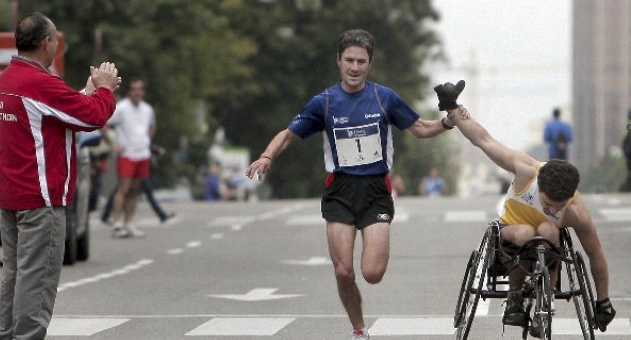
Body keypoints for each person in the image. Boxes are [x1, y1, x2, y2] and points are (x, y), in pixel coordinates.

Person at [245, 29, 466, 340]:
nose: (354, 67)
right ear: (338, 61)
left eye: (361, 61)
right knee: (343, 271)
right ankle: (359, 329)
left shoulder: (383, 97)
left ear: (369, 64)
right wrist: (267, 156)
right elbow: (289, 134)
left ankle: (361, 318)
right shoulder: (323, 102)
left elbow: (419, 128)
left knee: (372, 273)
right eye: (348, 60)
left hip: (376, 191)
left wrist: (446, 122)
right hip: (340, 190)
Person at [441, 81, 616, 334]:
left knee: (550, 229)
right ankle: (514, 297)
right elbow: (484, 140)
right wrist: (453, 109)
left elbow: (596, 254)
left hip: (547, 243)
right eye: (548, 203)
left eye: (560, 206)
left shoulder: (576, 212)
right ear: (539, 185)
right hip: (512, 232)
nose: (554, 209)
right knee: (524, 231)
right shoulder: (526, 171)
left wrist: (604, 300)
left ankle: (545, 306)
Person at [0, 12, 120, 339]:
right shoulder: (39, 83)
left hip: (11, 198)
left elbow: (54, 113)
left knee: (15, 278)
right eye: (56, 40)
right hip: (40, 201)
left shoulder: (6, 81)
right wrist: (104, 90)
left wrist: (87, 90)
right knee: (37, 283)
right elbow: (91, 117)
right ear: (47, 42)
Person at [106, 78, 156, 238]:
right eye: (134, 89)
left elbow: (153, 125)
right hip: (127, 154)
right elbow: (104, 123)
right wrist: (112, 144)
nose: (137, 92)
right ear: (129, 91)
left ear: (143, 91)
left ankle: (129, 222)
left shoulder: (147, 109)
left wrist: (147, 140)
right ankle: (116, 222)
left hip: (142, 153)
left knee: (135, 190)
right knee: (123, 188)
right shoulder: (121, 108)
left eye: (140, 89)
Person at [100, 143, 176, 224]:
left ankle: (106, 215)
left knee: (122, 192)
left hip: (137, 165)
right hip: (131, 164)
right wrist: (156, 150)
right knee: (122, 192)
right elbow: (138, 145)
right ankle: (161, 215)